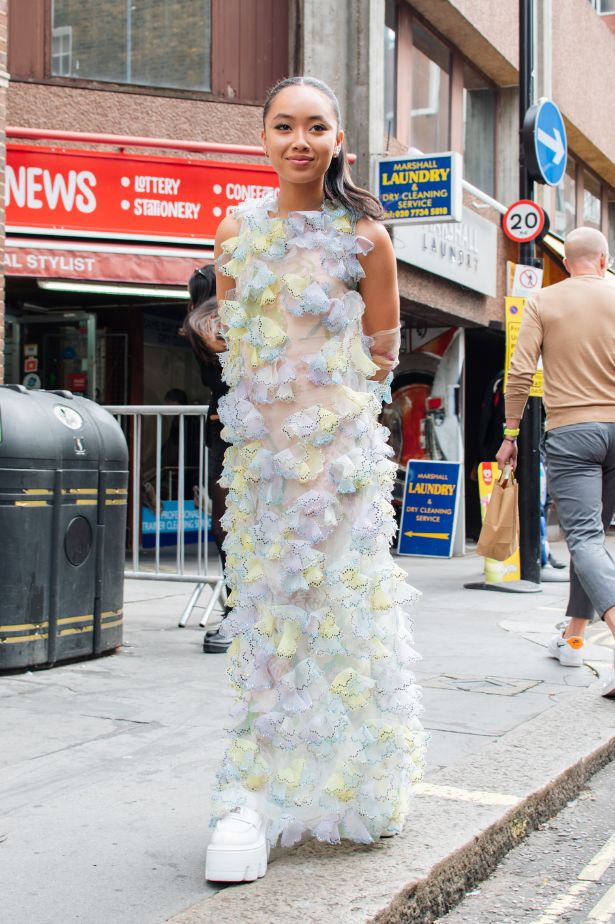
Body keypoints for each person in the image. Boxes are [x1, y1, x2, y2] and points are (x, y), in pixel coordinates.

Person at [204, 76, 425, 883]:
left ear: (338, 141)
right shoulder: (235, 231)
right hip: (262, 469)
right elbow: (232, 340)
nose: (299, 141)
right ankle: (251, 794)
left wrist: (331, 425)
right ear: (262, 136)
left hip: (338, 469)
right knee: (268, 624)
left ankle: (362, 783)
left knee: (345, 625)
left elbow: (382, 355)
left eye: (315, 127)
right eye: (284, 126)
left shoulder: (366, 238)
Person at [497, 226, 615, 697]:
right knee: (594, 541)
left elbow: (520, 371)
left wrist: (510, 433)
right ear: (604, 260)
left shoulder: (544, 301)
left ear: (567, 263)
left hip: (572, 432)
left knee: (583, 539)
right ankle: (573, 638)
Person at [182, 265, 232, 654]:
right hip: (234, 432)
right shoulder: (213, 325)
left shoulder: (207, 326)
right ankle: (240, 608)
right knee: (231, 525)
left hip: (234, 432)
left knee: (228, 525)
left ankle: (239, 610)